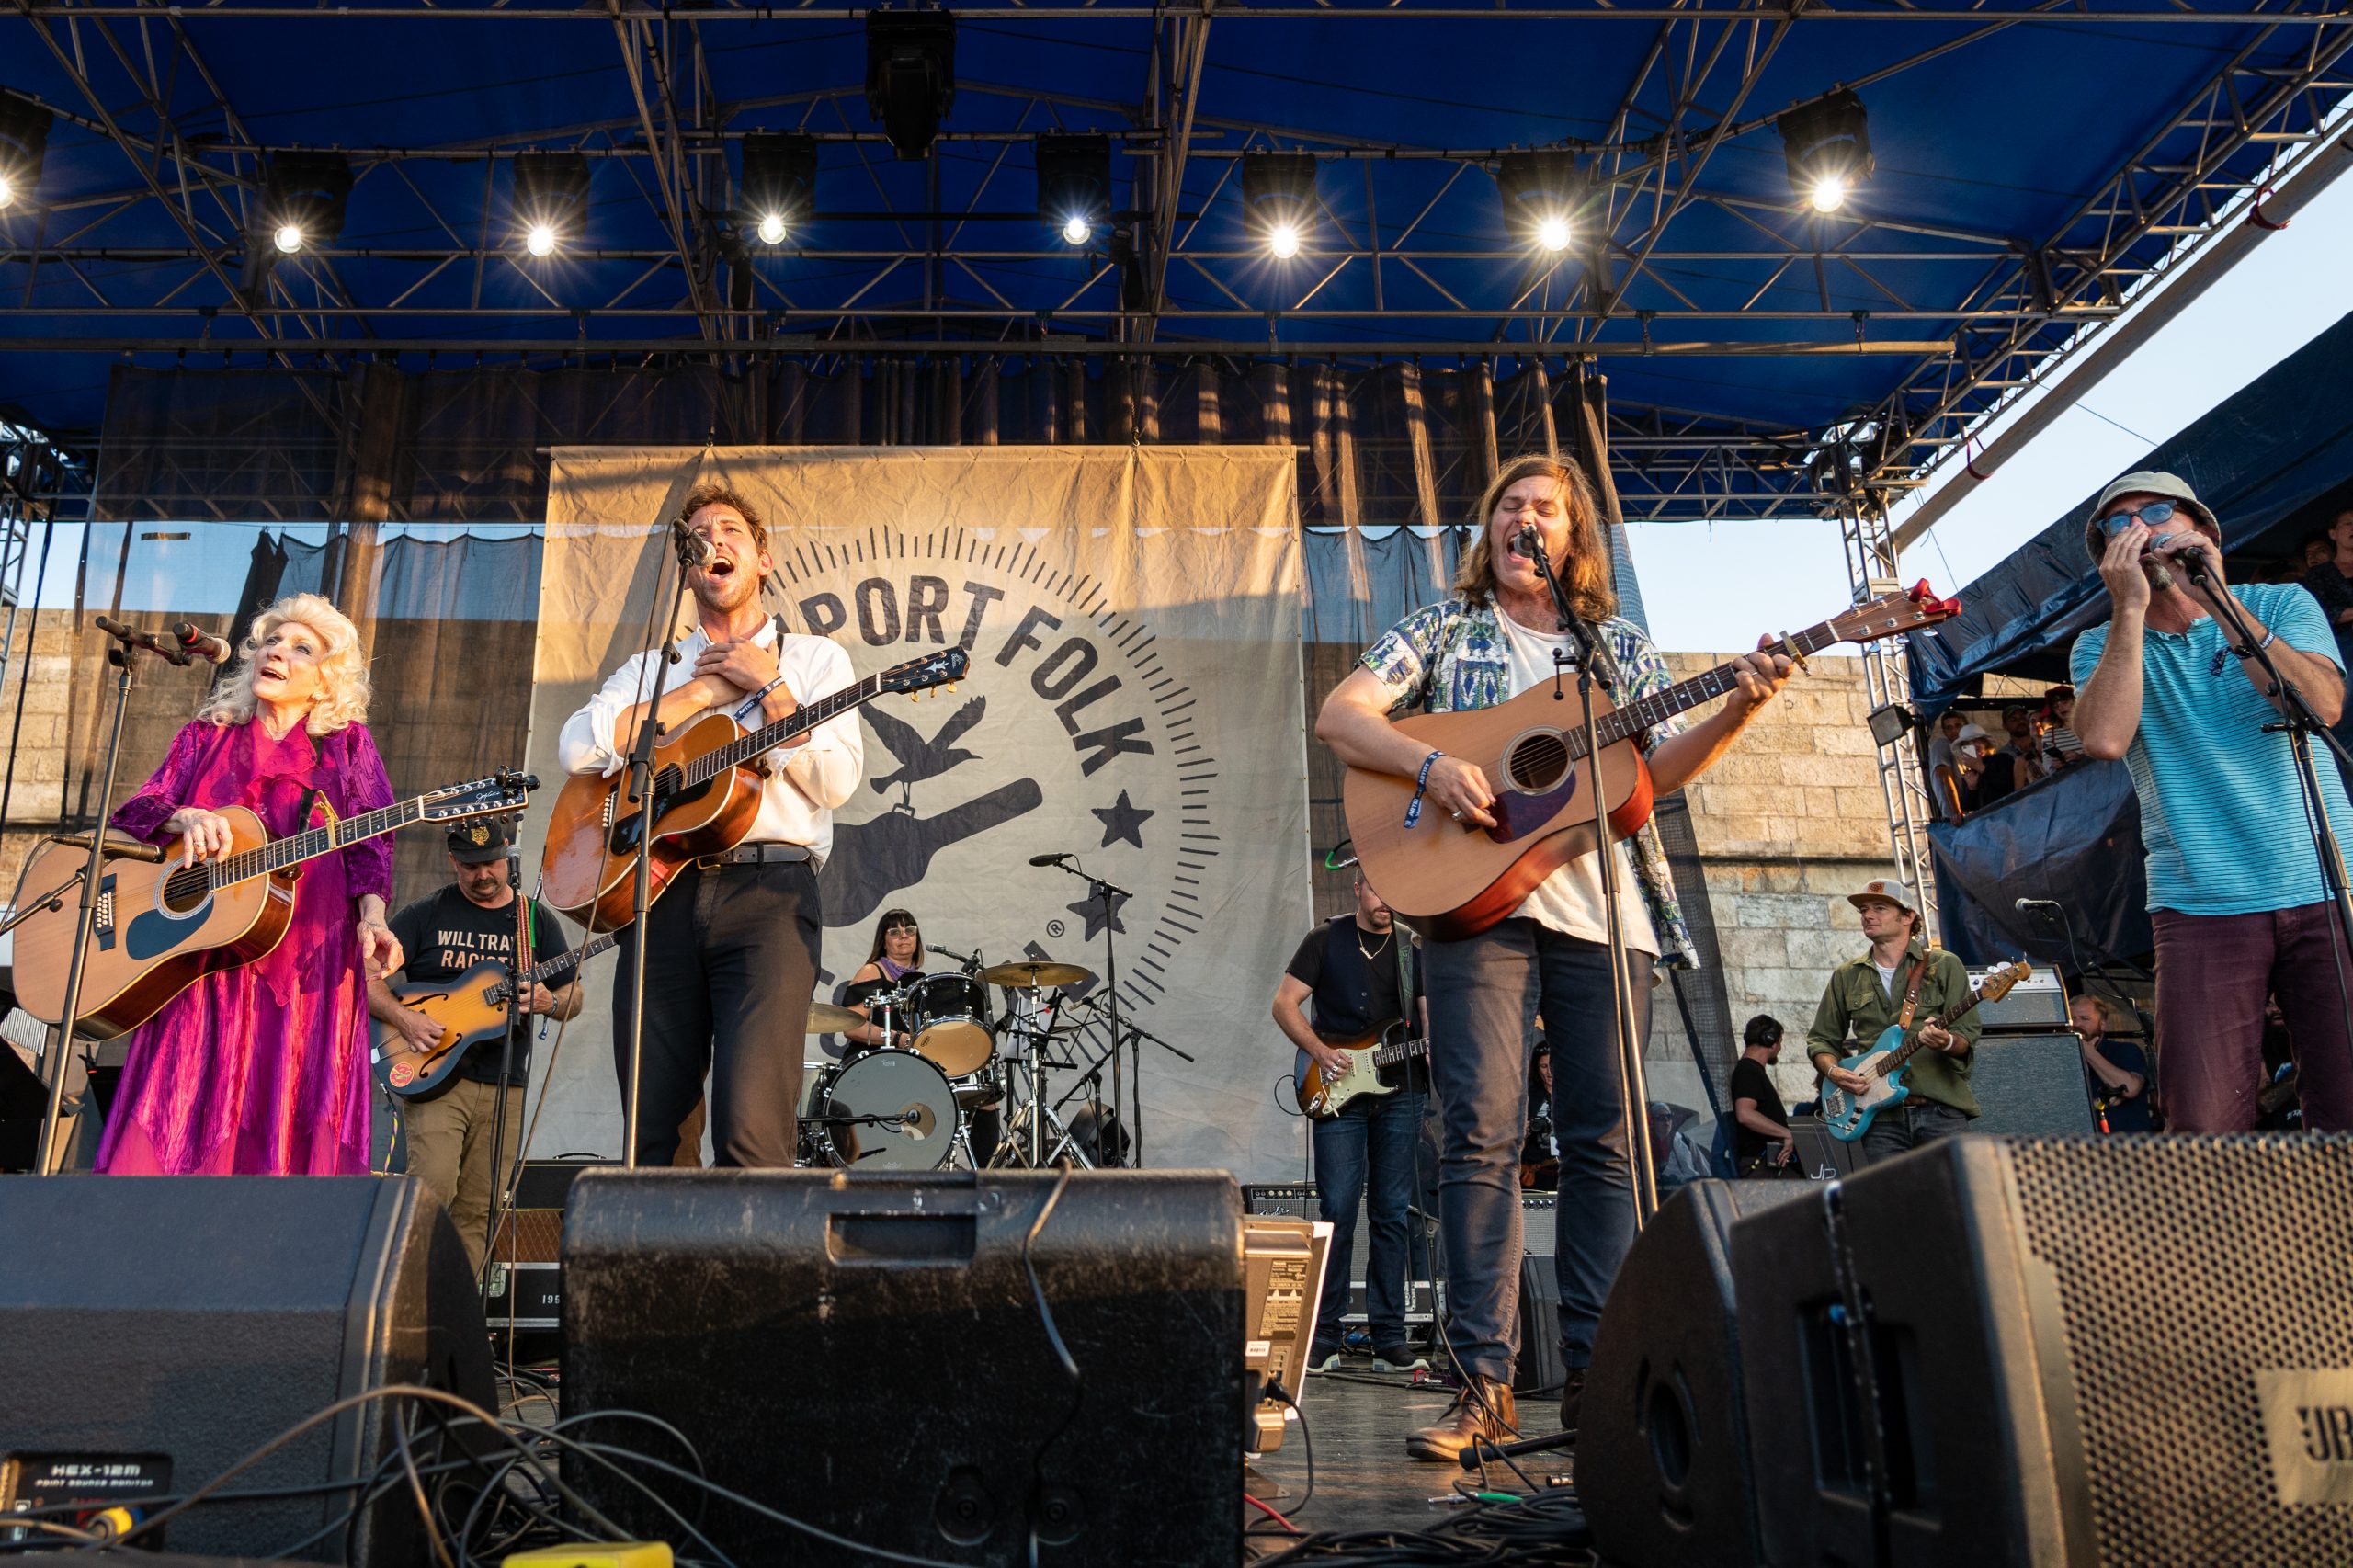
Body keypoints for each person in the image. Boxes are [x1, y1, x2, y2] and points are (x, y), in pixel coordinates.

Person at [1314, 451, 1791, 1460]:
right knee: (1482, 1130)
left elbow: (1650, 772)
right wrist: (1434, 762)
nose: (1523, 519)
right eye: (1507, 505)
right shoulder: (1442, 628)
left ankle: (1600, 1375)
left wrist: (1740, 705)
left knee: (1606, 1143)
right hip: (1474, 909)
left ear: (1572, 540)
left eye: (1544, 510)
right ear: (1485, 528)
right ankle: (1480, 1382)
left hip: (1605, 916)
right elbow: (1342, 715)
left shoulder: (1614, 648)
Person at [558, 483, 865, 1167]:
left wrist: (769, 688)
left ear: (764, 560)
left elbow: (836, 782)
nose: (713, 540)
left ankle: (748, 1275)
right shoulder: (652, 669)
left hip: (769, 898)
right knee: (654, 1132)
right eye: (699, 533)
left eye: (731, 530)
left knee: (751, 1128)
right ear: (686, 565)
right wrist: (699, 693)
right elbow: (579, 748)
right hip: (657, 893)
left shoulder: (817, 661)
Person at [2071, 470, 2353, 1132]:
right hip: (2202, 902)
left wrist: (2217, 598)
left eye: (2161, 512)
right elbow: (2106, 739)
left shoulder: (2280, 604)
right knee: (2202, 1121)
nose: (2142, 529)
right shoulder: (2101, 644)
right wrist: (2131, 610)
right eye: (2120, 524)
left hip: (2326, 885)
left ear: (2204, 532)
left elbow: (2322, 705)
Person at [94, 593, 403, 1176]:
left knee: (292, 1104)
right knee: (178, 1105)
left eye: (300, 648)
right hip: (202, 955)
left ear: (324, 679)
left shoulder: (346, 746)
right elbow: (136, 809)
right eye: (271, 642)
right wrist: (182, 816)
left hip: (309, 954)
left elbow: (371, 841)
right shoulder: (204, 737)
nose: (277, 652)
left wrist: (374, 915)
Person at [369, 818, 584, 1270]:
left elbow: (573, 997)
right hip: (436, 1076)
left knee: (481, 1207)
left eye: (490, 863)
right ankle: (406, 1303)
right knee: (432, 1190)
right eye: (469, 866)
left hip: (507, 1081)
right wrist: (405, 1019)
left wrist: (548, 1000)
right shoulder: (425, 914)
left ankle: (459, 1317)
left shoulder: (533, 919)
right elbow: (364, 980)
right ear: (453, 861)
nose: (482, 875)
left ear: (508, 853)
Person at [1270, 873, 1430, 1376]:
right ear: (1359, 888)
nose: (1387, 903)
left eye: (1393, 894)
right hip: (1337, 1087)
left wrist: (1445, 1038)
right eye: (1379, 891)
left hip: (1402, 1090)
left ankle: (1388, 1336)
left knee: (1391, 1210)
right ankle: (1324, 1336)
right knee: (1337, 1207)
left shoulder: (1411, 947)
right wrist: (1320, 1051)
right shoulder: (1325, 940)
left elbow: (1426, 1017)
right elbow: (1283, 1003)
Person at [1806, 879, 1981, 1164]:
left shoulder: (1944, 965)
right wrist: (1834, 1073)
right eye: (1863, 910)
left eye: (1879, 908)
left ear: (1909, 916)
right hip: (1879, 1119)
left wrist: (1946, 1041)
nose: (1868, 915)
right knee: (1893, 1204)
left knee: (1954, 1200)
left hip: (1939, 1112)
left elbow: (1967, 1036)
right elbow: (1821, 1040)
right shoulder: (1846, 975)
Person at [2295, 506, 2353, 794]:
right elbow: (2324, 615)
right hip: (2343, 656)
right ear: (2334, 533)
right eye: (2347, 523)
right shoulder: (2319, 577)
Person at [843, 908, 925, 1052]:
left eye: (910, 930)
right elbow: (851, 1027)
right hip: (870, 1060)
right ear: (884, 942)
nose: (904, 936)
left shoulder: (920, 981)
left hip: (906, 1062)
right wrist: (898, 1038)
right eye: (895, 932)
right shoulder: (871, 971)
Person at [2070, 994, 2153, 1133]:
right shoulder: (2063, 1059)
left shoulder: (2125, 1051)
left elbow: (2130, 1088)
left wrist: (2089, 1053)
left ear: (2102, 1024)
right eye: (2072, 1019)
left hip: (2128, 1144)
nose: (2077, 1024)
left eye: (2085, 1019)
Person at [1730, 1015, 1796, 1176]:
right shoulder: (1748, 1071)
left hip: (1767, 1165)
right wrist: (1786, 1133)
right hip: (1760, 1166)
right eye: (1780, 1041)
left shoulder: (1751, 1070)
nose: (1780, 1047)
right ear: (1771, 1041)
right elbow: (1745, 1114)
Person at [2040, 686, 2086, 772]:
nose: (2060, 707)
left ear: (2076, 701)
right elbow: (2047, 765)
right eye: (2055, 706)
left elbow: (2103, 755)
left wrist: (2080, 757)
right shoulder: (2050, 734)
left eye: (2064, 702)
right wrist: (2055, 765)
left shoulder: (2091, 726)